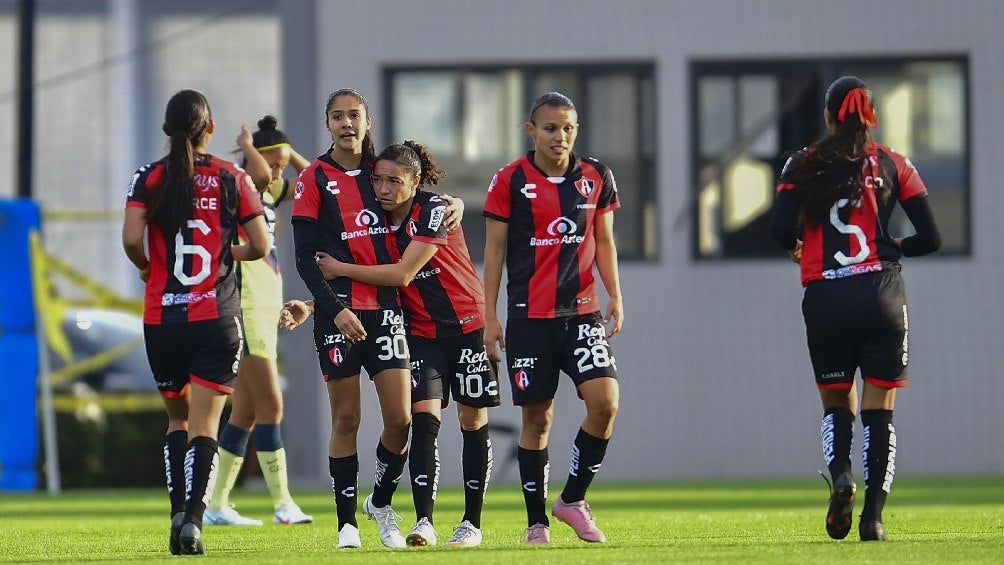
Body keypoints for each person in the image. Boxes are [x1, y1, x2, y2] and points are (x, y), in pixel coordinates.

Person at [289, 140, 500, 548]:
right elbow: (370, 285)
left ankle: (471, 524)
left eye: (394, 181)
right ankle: (424, 522)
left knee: (472, 422)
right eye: (378, 180)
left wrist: (337, 268)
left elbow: (401, 275)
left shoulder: (435, 210)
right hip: (420, 331)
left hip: (466, 325)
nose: (383, 188)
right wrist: (317, 306)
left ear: (415, 182)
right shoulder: (382, 221)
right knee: (421, 421)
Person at [770, 76, 941, 542]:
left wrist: (801, 246)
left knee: (835, 399)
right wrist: (893, 245)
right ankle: (873, 519)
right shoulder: (894, 164)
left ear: (828, 117)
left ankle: (841, 472)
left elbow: (782, 230)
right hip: (881, 292)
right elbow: (932, 239)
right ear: (871, 117)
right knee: (879, 406)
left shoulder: (801, 163)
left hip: (825, 296)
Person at [121, 89, 270, 555]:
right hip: (216, 318)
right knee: (206, 425)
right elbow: (261, 246)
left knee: (177, 421)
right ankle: (193, 522)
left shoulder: (149, 177)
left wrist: (147, 268)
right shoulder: (232, 176)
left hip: (162, 319)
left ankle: (176, 514)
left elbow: (130, 239)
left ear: (167, 130)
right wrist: (231, 252)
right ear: (211, 129)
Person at [482, 91, 623, 545]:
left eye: (567, 128)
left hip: (582, 313)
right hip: (529, 318)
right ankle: (536, 523)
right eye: (549, 128)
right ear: (531, 131)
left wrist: (615, 295)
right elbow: (495, 251)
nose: (559, 136)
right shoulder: (509, 180)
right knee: (537, 420)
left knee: (605, 404)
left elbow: (603, 242)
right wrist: (490, 316)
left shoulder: (596, 176)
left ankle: (572, 499)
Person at [203, 116, 313, 527]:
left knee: (245, 413)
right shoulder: (238, 194)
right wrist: (251, 148)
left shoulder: (267, 197)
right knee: (272, 403)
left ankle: (216, 506)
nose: (279, 173)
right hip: (244, 306)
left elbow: (313, 178)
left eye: (282, 165)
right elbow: (262, 172)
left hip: (267, 306)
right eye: (273, 165)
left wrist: (283, 148)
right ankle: (283, 502)